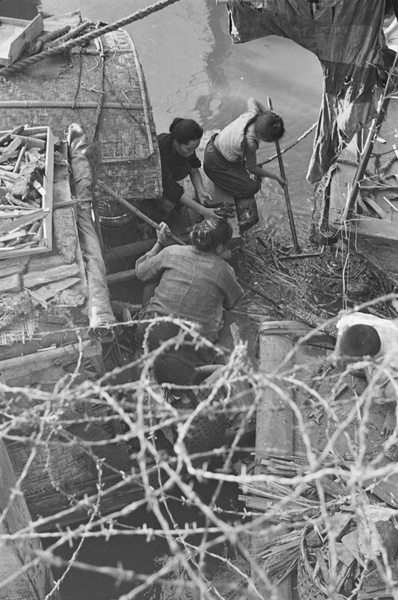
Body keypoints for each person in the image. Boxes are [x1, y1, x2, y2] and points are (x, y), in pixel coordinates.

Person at [135, 217, 243, 368]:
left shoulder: (171, 252)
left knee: (151, 281)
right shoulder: (224, 271)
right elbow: (232, 302)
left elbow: (141, 271)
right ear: (219, 248)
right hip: (194, 356)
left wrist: (159, 243)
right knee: (223, 313)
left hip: (150, 339)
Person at [203, 97, 286, 232]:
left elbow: (252, 99)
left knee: (246, 167)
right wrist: (276, 176)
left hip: (213, 147)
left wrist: (267, 114)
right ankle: (225, 183)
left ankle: (233, 177)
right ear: (264, 137)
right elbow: (252, 168)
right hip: (215, 164)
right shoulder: (250, 143)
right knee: (251, 187)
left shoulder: (253, 113)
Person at [333, 310, 398, 436]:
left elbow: (377, 393)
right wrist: (337, 351)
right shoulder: (366, 325)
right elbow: (344, 321)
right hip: (390, 338)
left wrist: (366, 371)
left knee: (388, 392)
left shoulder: (386, 365)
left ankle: (392, 413)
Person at [156, 118, 219, 221]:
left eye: (194, 149)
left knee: (187, 166)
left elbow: (194, 168)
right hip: (153, 180)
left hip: (170, 172)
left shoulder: (187, 148)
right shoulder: (160, 151)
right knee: (168, 204)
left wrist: (200, 191)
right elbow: (171, 188)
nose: (192, 152)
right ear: (176, 142)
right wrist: (204, 211)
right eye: (189, 149)